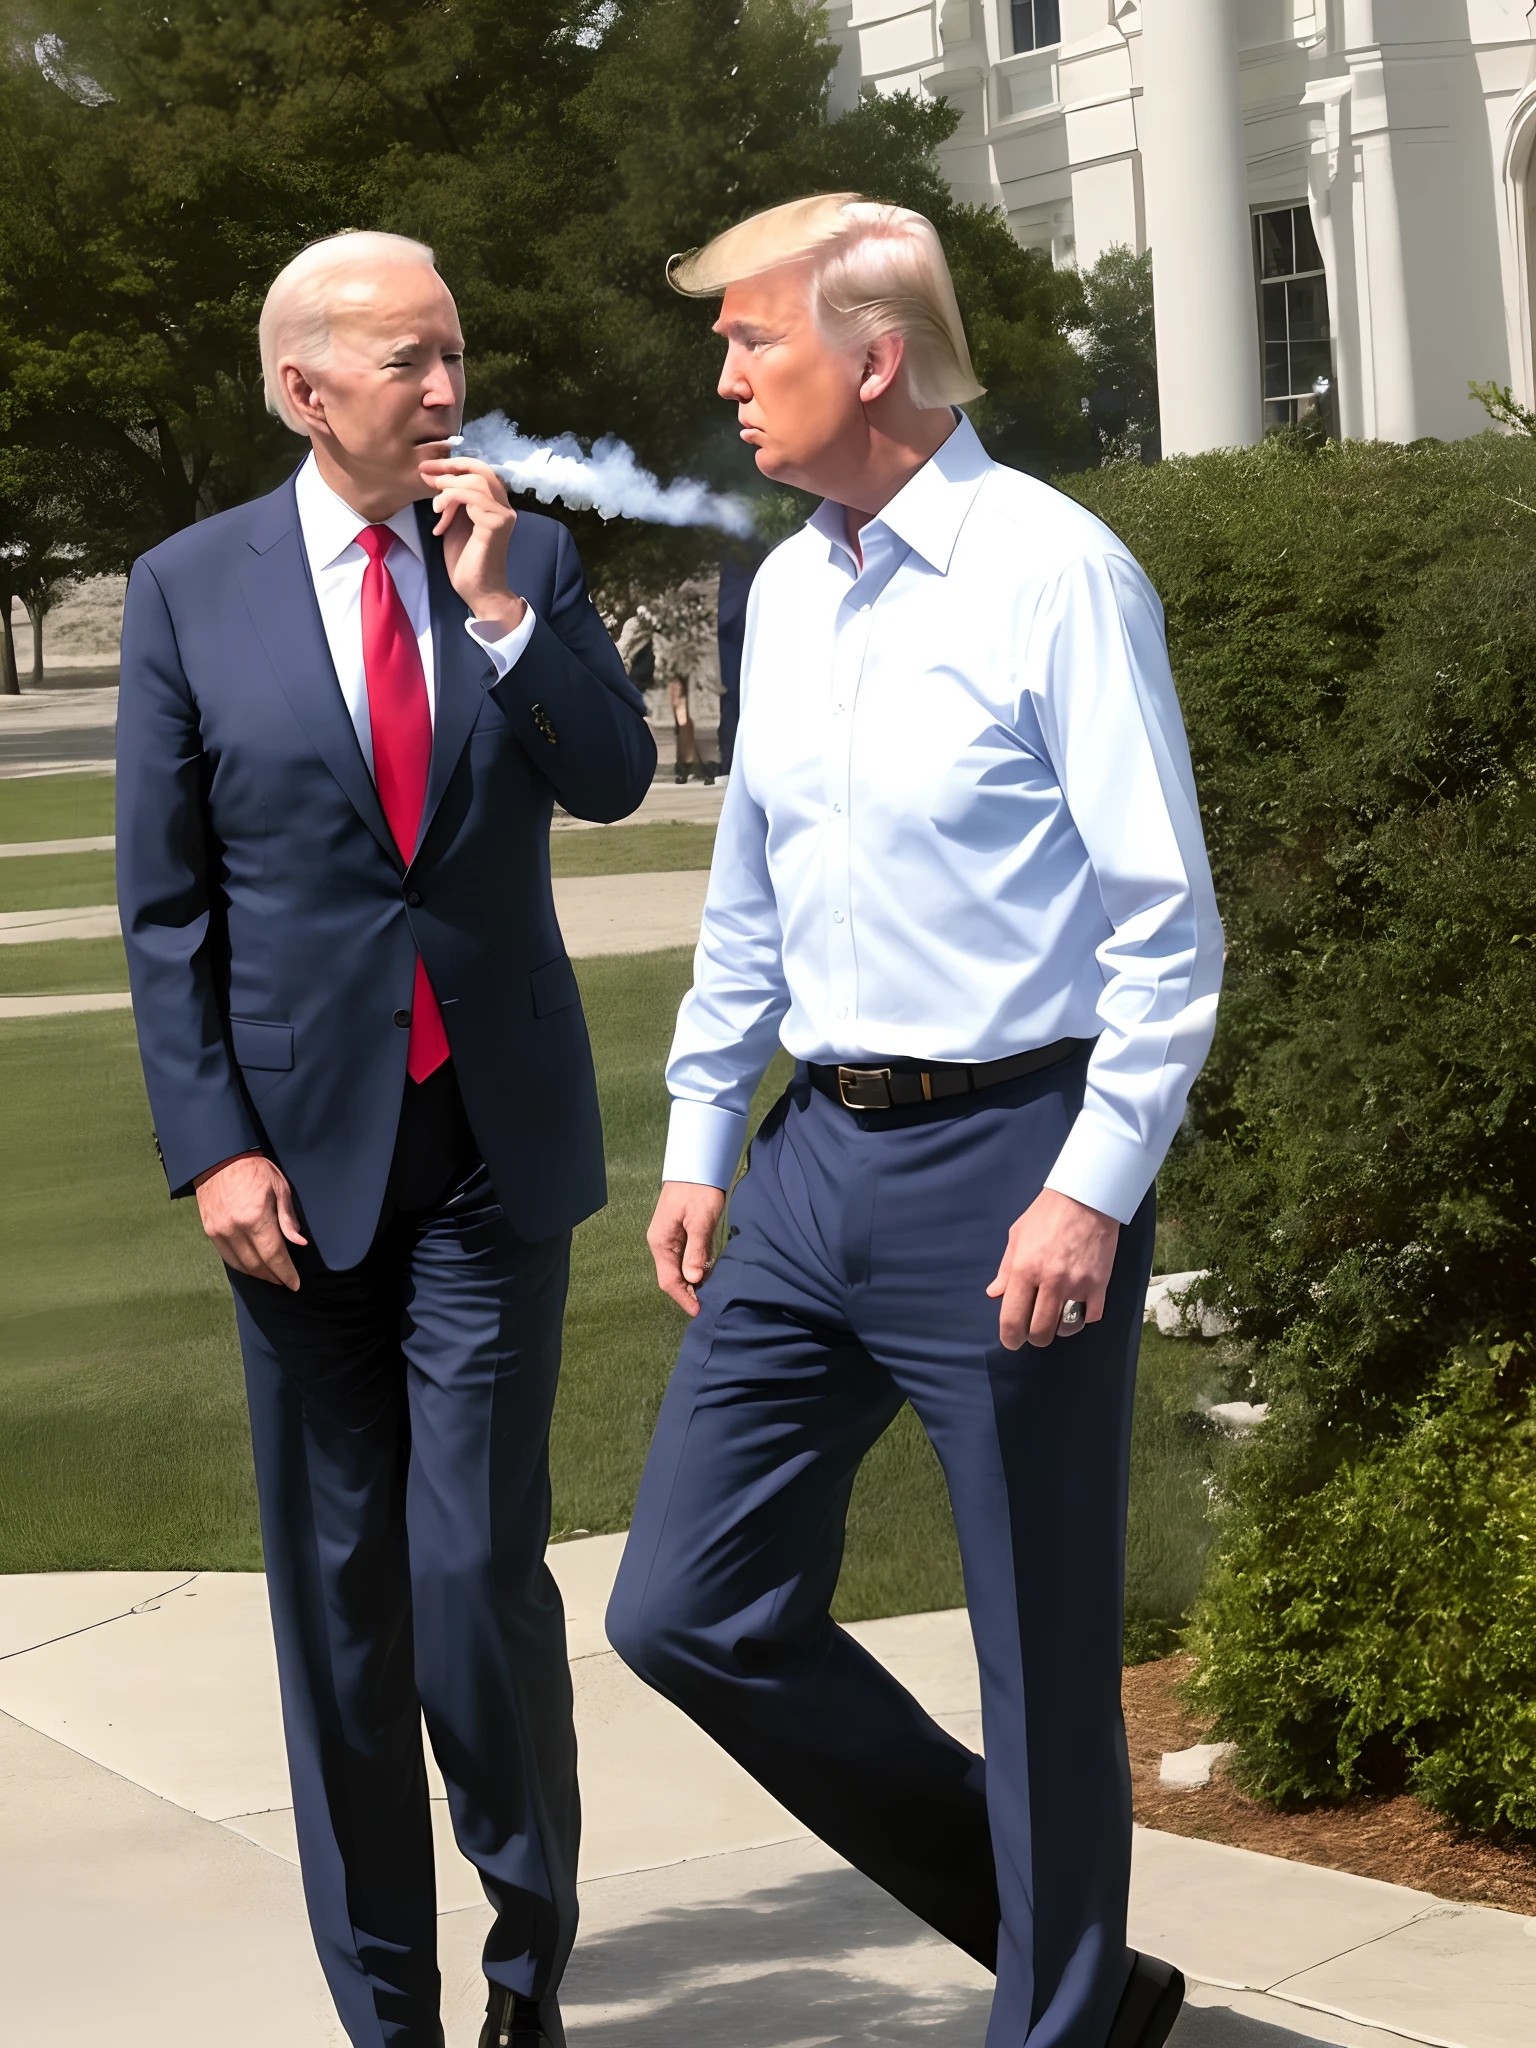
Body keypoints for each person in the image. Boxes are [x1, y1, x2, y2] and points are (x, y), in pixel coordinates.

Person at [605, 193, 1222, 2048]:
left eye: (751, 340)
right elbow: (753, 894)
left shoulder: (1058, 573)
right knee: (682, 1607)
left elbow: (1166, 931)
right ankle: (1075, 1959)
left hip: (1011, 1175)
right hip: (809, 1164)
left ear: (873, 356)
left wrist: (1092, 1192)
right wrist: (705, 1133)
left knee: (1039, 1660)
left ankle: (1059, 2018)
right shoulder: (787, 585)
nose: (723, 374)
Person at [116, 230, 655, 2048]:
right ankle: (385, 2010)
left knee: (464, 1577)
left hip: (490, 1153)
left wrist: (505, 614)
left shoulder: (529, 554)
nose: (448, 390)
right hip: (292, 1178)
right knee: (338, 1611)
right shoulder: (190, 590)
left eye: (453, 355)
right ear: (305, 388)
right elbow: (166, 904)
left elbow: (611, 775)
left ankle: (527, 1968)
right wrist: (212, 1149)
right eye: (411, 362)